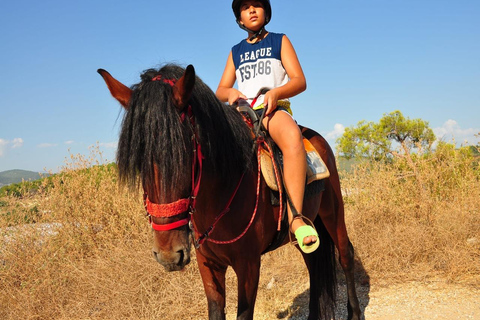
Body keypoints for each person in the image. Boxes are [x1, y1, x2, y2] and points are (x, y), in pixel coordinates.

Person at [216, 0, 319, 253]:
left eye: (257, 5)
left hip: (272, 110)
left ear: (266, 12)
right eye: (245, 8)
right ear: (240, 19)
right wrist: (230, 93)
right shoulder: (235, 51)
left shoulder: (279, 41)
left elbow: (300, 80)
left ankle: (296, 218)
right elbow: (220, 90)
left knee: (293, 137)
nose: (251, 10)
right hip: (243, 113)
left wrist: (277, 92)